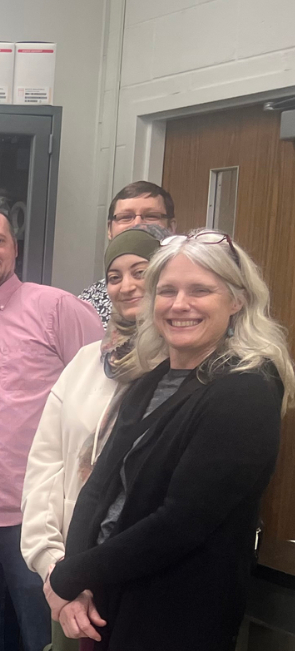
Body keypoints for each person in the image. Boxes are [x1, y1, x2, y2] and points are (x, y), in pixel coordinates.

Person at [46, 231, 295, 650]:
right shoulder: (151, 379)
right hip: (108, 596)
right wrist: (77, 581)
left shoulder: (246, 391)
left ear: (236, 301)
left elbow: (178, 524)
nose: (180, 305)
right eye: (167, 291)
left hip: (175, 616)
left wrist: (69, 577)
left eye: (201, 290)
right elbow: (99, 486)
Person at [0, 205, 103, 651]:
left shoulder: (57, 309)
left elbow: (105, 400)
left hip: (37, 523)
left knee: (43, 640)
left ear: (15, 248)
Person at [20, 225, 166, 651]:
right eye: (115, 276)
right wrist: (55, 572)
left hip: (143, 576)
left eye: (141, 271)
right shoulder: (87, 362)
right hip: (71, 573)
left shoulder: (181, 369)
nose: (127, 286)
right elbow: (44, 468)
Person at [77, 182, 175, 326]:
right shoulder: (87, 305)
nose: (137, 223)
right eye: (125, 217)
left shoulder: (186, 298)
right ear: (109, 229)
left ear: (171, 227)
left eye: (151, 216)